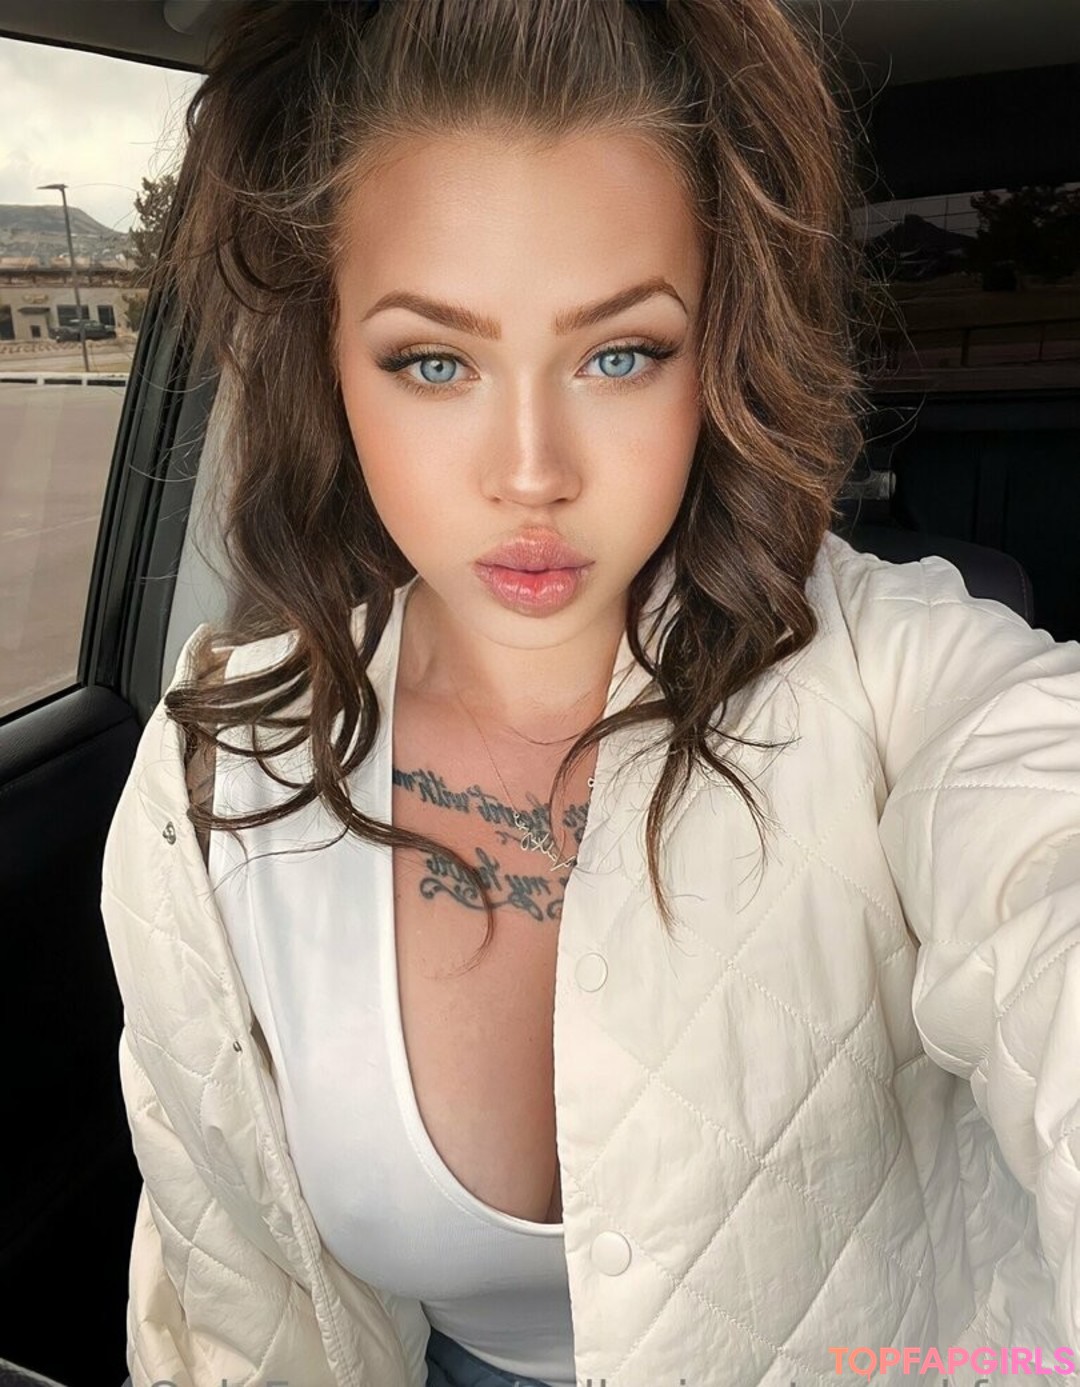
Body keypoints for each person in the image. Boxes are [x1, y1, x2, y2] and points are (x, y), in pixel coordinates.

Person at [99, 1, 1080, 1385]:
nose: (532, 472)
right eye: (434, 360)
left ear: (715, 349)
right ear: (330, 358)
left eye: (621, 353)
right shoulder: (214, 783)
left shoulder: (898, 679)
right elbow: (234, 1316)